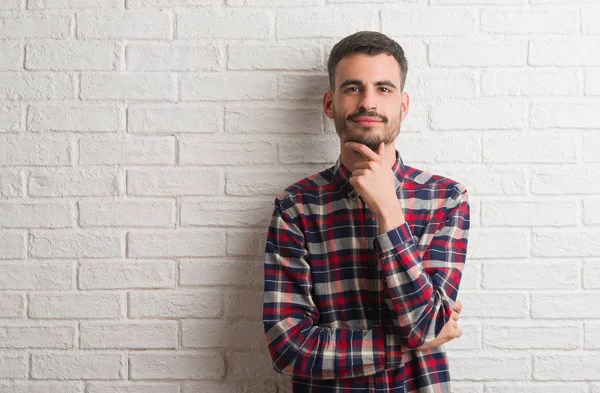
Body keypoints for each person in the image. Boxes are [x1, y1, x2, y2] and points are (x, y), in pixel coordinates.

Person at [263, 31, 470, 393]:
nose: (368, 102)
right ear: (330, 103)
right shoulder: (296, 206)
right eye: (353, 88)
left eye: (384, 89)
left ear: (403, 105)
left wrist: (389, 212)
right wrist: (409, 343)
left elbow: (424, 327)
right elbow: (289, 346)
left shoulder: (445, 198)